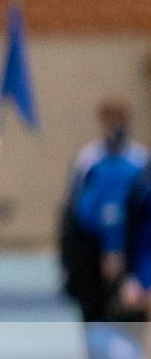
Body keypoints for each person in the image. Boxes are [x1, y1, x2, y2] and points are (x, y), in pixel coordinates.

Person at [59, 100, 147, 324]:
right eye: (110, 122)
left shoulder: (140, 160)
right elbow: (75, 208)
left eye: (120, 122)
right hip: (91, 248)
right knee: (94, 314)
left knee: (130, 313)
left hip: (130, 249)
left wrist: (118, 249)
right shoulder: (89, 159)